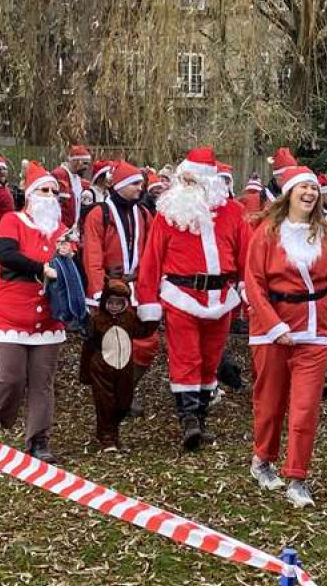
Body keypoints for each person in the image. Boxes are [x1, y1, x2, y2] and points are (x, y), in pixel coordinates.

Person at [245, 165, 327, 508]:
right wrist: (274, 326)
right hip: (271, 331)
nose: (310, 193)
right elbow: (254, 284)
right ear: (289, 193)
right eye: (303, 187)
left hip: (315, 329)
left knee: (305, 408)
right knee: (271, 403)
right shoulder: (266, 233)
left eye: (314, 189)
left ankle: (298, 477)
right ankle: (263, 458)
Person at [136, 147, 251, 451]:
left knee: (211, 359)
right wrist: (148, 303)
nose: (184, 185)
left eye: (192, 180)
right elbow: (151, 260)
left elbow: (246, 255)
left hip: (221, 297)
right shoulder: (167, 214)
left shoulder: (234, 212)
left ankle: (200, 416)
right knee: (186, 356)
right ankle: (188, 420)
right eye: (182, 179)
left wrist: (246, 287)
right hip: (181, 295)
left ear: (209, 182)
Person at [0, 161, 72, 463]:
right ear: (30, 194)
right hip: (10, 313)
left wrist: (70, 261)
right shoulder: (12, 221)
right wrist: (41, 269)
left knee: (42, 382)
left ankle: (39, 439)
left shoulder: (62, 231)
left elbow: (73, 269)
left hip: (48, 317)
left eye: (53, 191)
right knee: (10, 377)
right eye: (43, 190)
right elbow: (5, 254)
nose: (49, 195)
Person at [82, 161, 158, 417]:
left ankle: (125, 389)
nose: (141, 188)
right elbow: (92, 254)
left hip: (137, 287)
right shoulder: (99, 213)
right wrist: (97, 293)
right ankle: (111, 396)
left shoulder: (145, 214)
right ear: (122, 186)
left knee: (146, 342)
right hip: (109, 289)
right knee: (112, 344)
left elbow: (151, 253)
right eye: (136, 183)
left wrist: (151, 288)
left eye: (141, 183)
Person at [81, 279, 143, 451]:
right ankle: (106, 437)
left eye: (119, 303)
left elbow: (142, 331)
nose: (115, 306)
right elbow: (88, 346)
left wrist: (151, 316)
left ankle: (114, 433)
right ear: (105, 302)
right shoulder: (97, 319)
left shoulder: (130, 318)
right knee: (104, 402)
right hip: (101, 367)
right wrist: (85, 372)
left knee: (124, 402)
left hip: (124, 366)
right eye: (111, 302)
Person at [52, 145, 93, 233]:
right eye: (85, 163)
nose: (87, 167)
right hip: (60, 230)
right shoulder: (59, 175)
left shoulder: (78, 179)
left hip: (73, 230)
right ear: (75, 161)